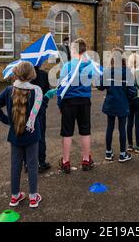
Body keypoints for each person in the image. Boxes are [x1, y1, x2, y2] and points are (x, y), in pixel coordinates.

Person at [0, 62, 49, 208]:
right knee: (33, 165)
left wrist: (7, 120)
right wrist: (46, 98)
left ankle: (15, 197)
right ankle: (33, 198)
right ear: (31, 75)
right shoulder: (37, 92)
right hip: (32, 135)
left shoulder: (9, 90)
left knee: (15, 166)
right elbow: (39, 113)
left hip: (15, 135)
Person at [58, 38, 94, 174]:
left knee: (67, 132)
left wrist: (59, 104)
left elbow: (61, 87)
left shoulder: (67, 66)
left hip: (68, 102)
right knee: (85, 131)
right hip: (84, 101)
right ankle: (86, 159)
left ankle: (65, 161)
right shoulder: (90, 65)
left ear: (74, 50)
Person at [98, 48, 137, 163]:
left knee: (109, 127)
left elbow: (100, 87)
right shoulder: (127, 72)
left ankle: (108, 153)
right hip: (123, 104)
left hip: (110, 103)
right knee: (122, 128)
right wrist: (128, 98)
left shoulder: (107, 71)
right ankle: (122, 154)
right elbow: (133, 91)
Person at [31, 65, 51, 173]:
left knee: (29, 136)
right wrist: (44, 105)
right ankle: (41, 163)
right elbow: (47, 93)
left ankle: (28, 163)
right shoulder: (44, 74)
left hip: (28, 111)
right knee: (41, 135)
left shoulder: (25, 75)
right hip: (40, 110)